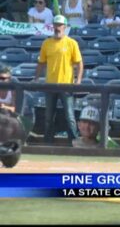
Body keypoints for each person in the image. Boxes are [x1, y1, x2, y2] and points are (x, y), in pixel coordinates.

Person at [34, 15, 83, 144]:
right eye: (55, 25)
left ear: (65, 27)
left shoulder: (71, 43)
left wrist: (78, 80)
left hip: (66, 85)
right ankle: (48, 143)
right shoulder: (46, 43)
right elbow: (41, 63)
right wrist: (36, 78)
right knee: (49, 116)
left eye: (60, 25)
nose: (57, 27)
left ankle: (73, 143)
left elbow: (79, 63)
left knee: (70, 116)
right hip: (50, 85)